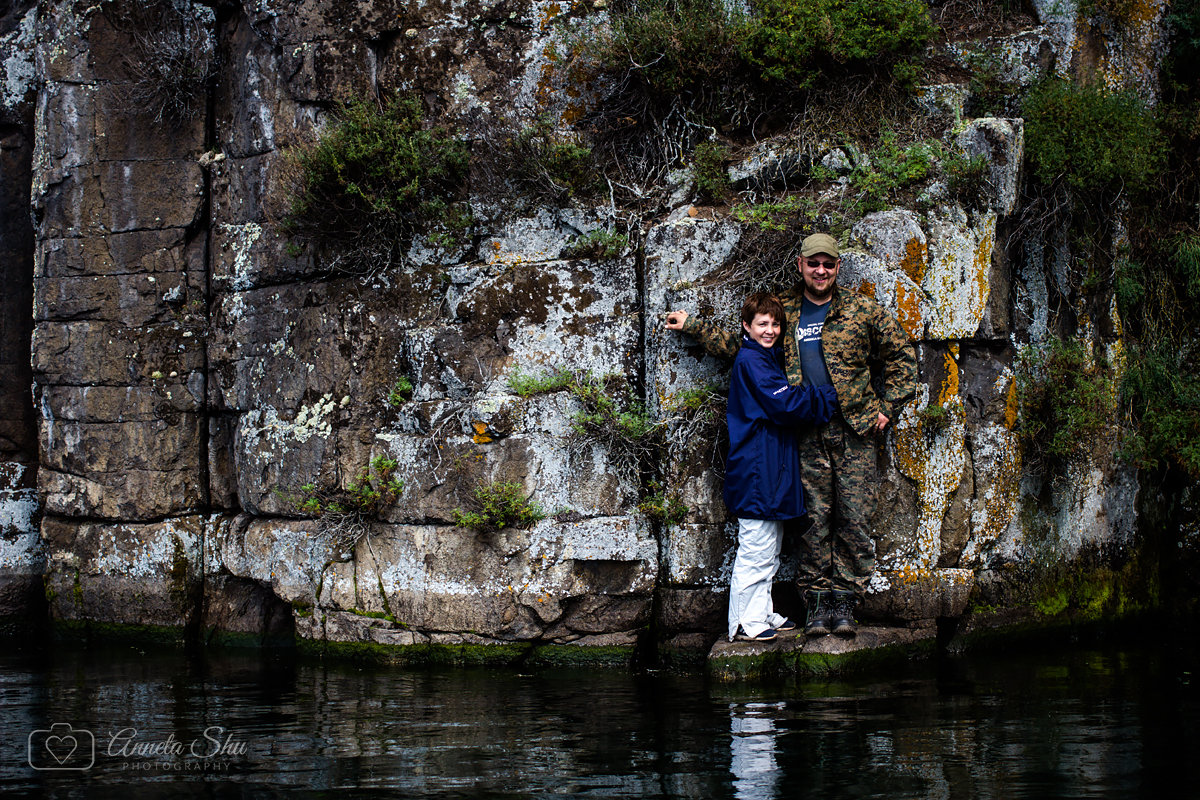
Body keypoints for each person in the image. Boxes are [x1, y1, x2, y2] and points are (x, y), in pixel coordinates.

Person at [665, 233, 916, 638]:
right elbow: (746, 341)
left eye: (828, 264)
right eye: (813, 263)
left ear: (838, 268)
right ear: (800, 265)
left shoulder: (862, 309)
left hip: (855, 430)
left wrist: (888, 406)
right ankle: (816, 603)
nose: (820, 271)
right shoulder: (785, 309)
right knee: (812, 520)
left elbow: (902, 354)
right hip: (804, 430)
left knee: (854, 518)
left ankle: (845, 601)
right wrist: (694, 326)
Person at [695, 293, 836, 642]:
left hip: (770, 466)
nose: (770, 330)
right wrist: (827, 397)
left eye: (775, 324)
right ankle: (743, 623)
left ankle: (760, 612)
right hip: (757, 469)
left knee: (769, 550)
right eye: (762, 324)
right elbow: (786, 404)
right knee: (755, 548)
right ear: (747, 326)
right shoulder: (752, 361)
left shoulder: (766, 358)